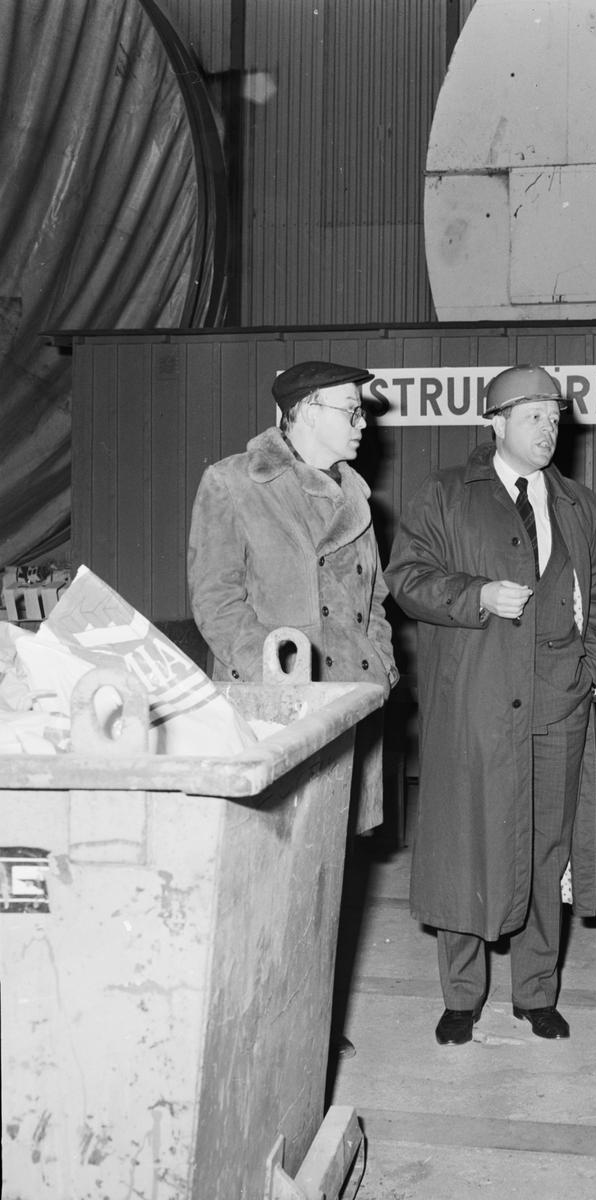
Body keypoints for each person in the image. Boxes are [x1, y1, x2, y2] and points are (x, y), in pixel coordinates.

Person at [386, 364, 596, 1046]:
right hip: (479, 702)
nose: (549, 429)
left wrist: (593, 670)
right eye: (534, 416)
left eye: (555, 417)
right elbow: (406, 579)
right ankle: (461, 995)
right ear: (495, 422)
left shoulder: (579, 505)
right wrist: (477, 595)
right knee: (468, 844)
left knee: (548, 848)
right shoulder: (445, 493)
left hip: (559, 702)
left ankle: (536, 992)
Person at [188, 359, 400, 1057]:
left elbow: (375, 603)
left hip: (348, 708)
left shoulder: (356, 495)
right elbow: (217, 602)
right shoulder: (232, 483)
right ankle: (254, 1023)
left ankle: (309, 1019)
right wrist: (278, 677)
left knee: (327, 872)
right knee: (263, 871)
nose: (363, 423)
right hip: (275, 711)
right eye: (350, 410)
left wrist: (382, 671)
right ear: (304, 410)